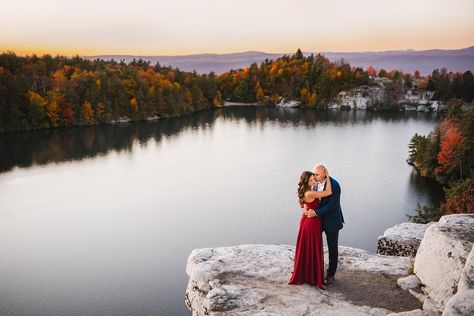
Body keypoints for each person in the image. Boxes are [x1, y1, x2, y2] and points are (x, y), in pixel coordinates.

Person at [289, 170, 332, 289]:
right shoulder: (309, 193)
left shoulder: (307, 191)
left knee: (309, 248)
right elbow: (328, 192)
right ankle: (311, 276)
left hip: (308, 220)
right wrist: (327, 176)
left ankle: (308, 274)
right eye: (312, 180)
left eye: (314, 179)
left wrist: (307, 209)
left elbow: (304, 206)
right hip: (311, 223)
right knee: (312, 247)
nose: (314, 181)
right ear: (306, 182)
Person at [306, 165, 344, 285]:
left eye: (316, 174)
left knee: (332, 248)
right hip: (317, 221)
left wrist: (316, 212)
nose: (314, 176)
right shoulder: (315, 184)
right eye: (314, 174)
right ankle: (312, 271)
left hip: (331, 221)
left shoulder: (335, 185)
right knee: (313, 245)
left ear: (324, 173)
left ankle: (330, 275)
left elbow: (332, 205)